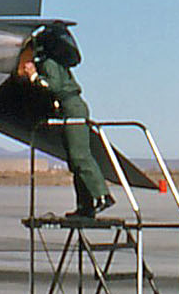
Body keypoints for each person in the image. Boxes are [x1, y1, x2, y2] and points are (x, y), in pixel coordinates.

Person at [17, 24, 115, 219]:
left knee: (80, 156)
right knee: (75, 162)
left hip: (72, 108)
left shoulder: (48, 64)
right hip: (69, 109)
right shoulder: (56, 63)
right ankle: (85, 206)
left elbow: (53, 86)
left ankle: (103, 195)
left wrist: (34, 76)